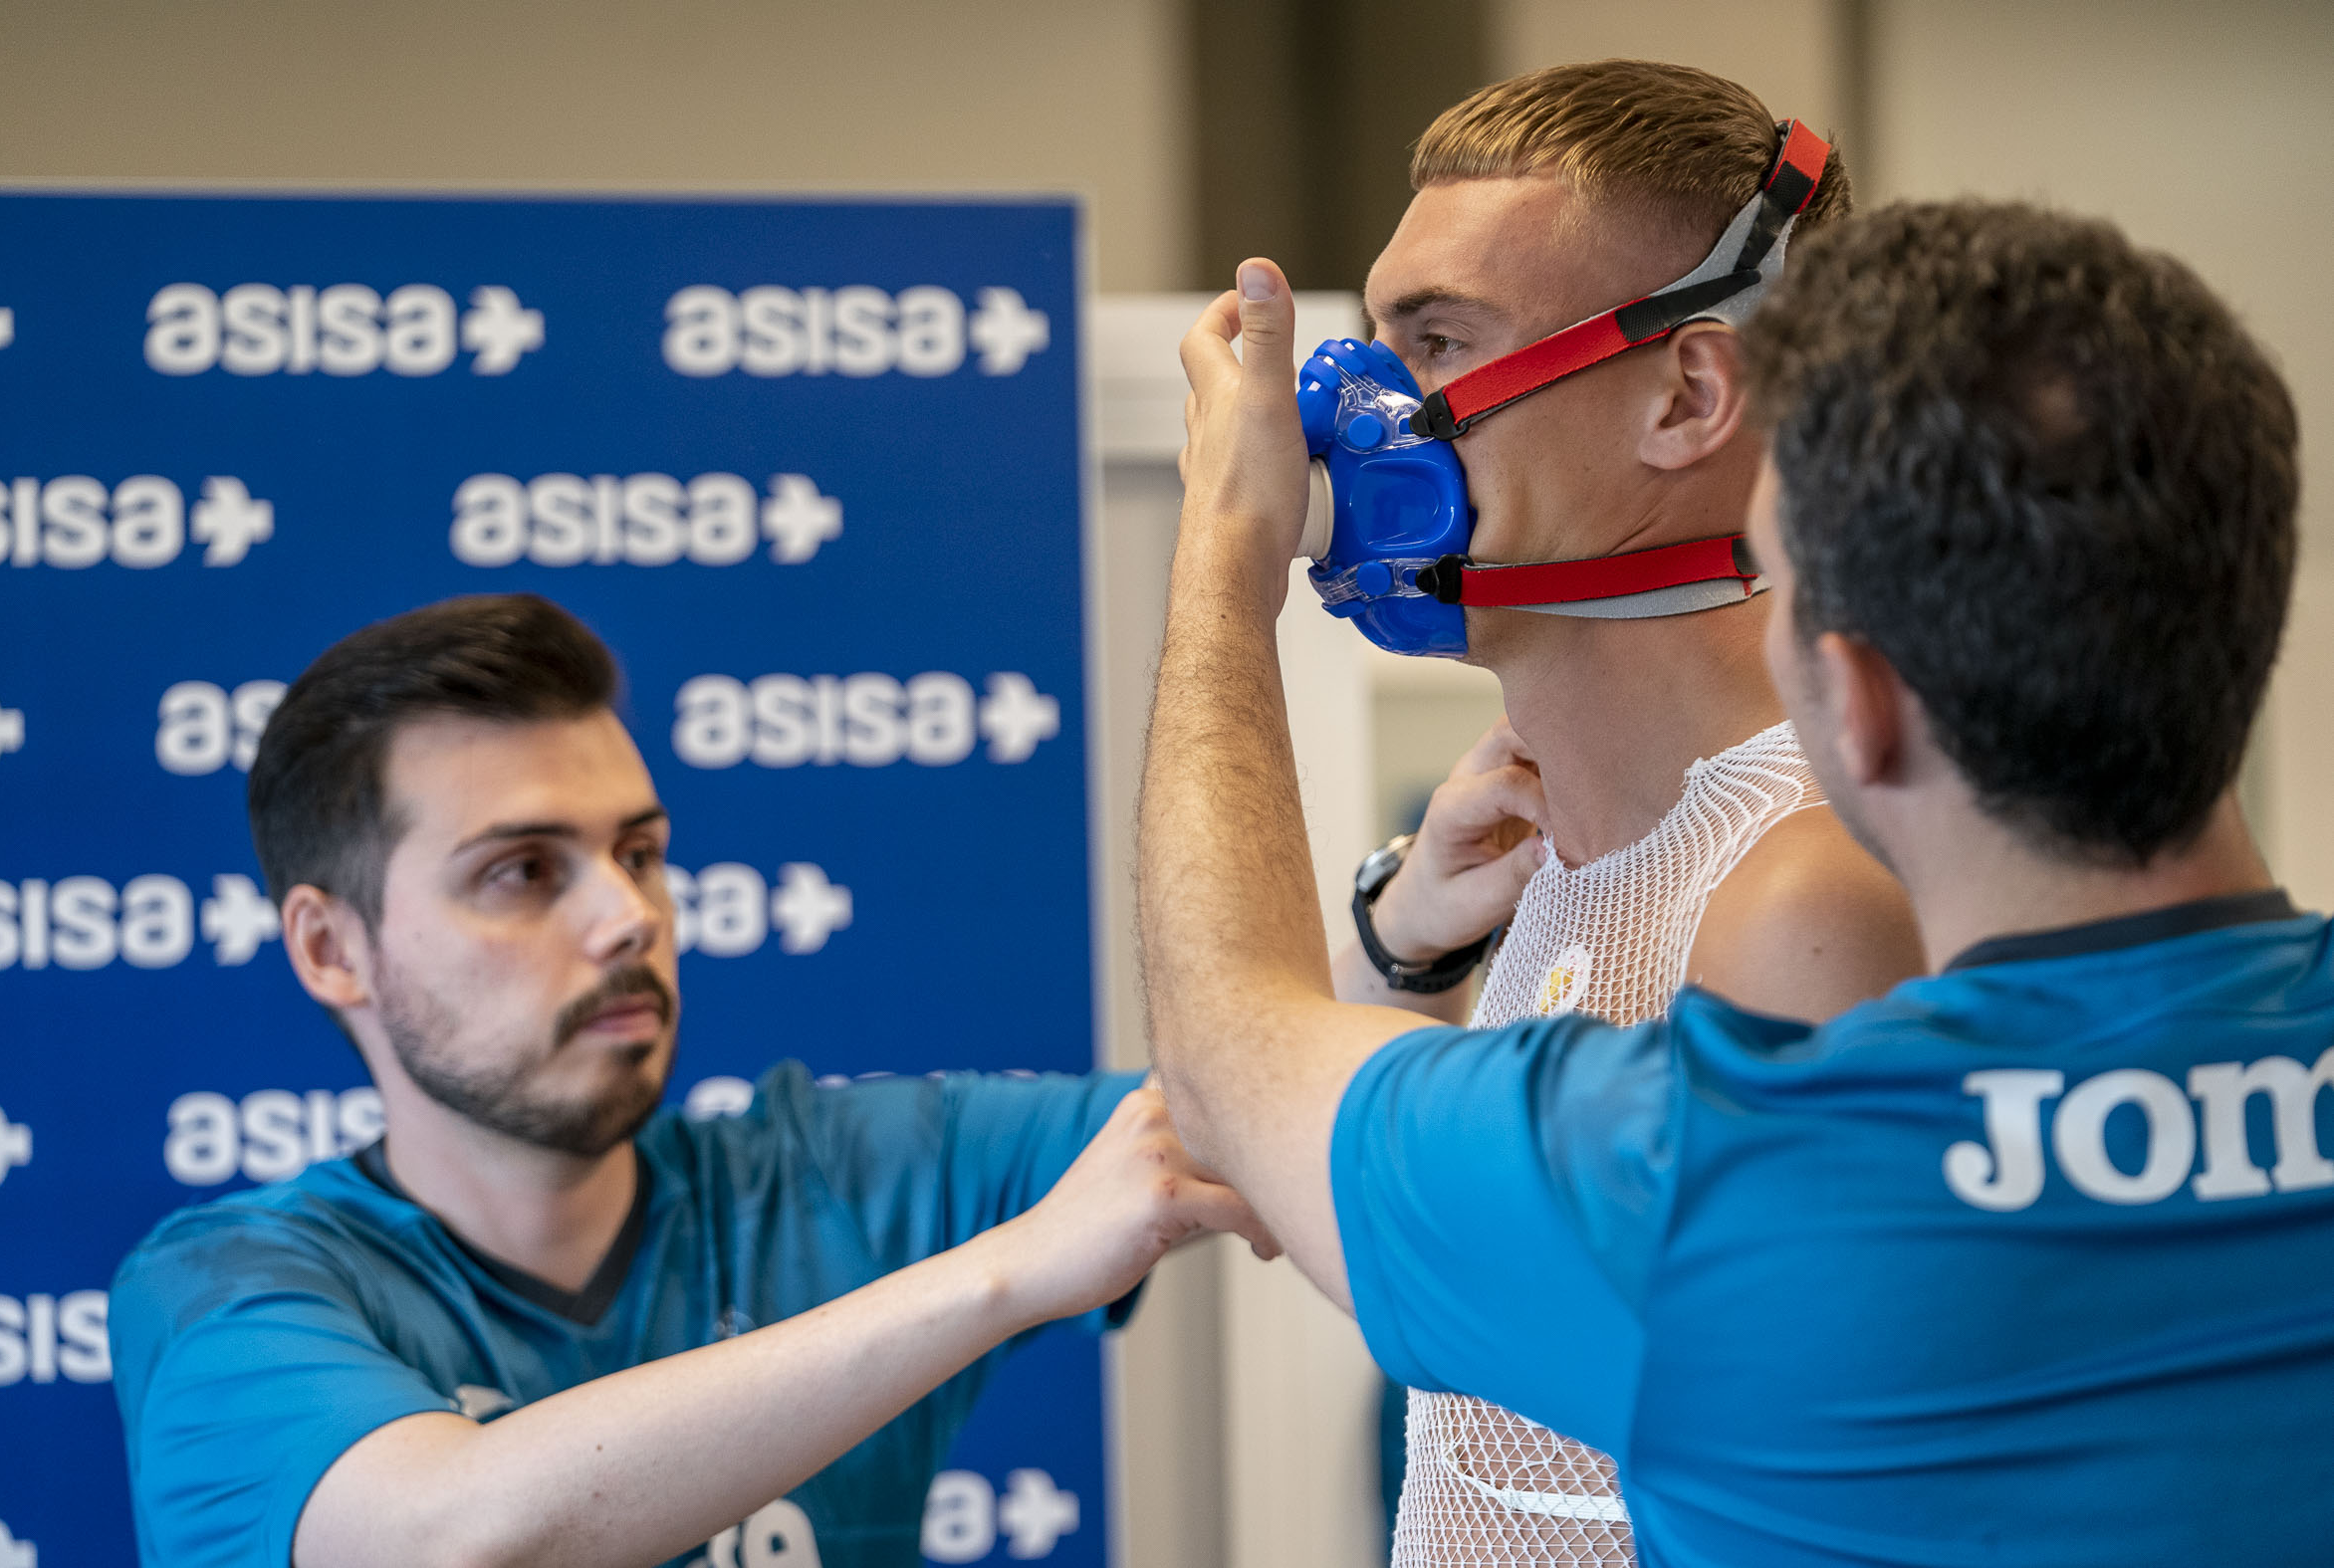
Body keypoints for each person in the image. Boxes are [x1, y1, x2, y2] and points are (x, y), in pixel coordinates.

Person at [1140, 193, 2331, 1564]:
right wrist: (1399, 935)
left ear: (1854, 701)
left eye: (1777, 582)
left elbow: (1231, 1068)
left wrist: (1224, 558)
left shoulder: (1721, 1170)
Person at [112, 593, 1272, 1568]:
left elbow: (1262, 1110)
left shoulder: (830, 1180)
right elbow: (447, 1536)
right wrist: (1004, 1275)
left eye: (639, 854)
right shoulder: (226, 1295)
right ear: (330, 948)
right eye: (521, 871)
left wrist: (1403, 944)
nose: (629, 916)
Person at [1309, 63, 1923, 1564]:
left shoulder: (1803, 898)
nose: (1368, 413)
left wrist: (1215, 573)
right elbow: (1265, 1172)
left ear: (1683, 392)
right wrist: (1396, 946)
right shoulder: (1552, 857)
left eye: (1437, 343)